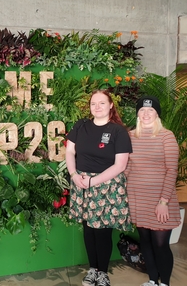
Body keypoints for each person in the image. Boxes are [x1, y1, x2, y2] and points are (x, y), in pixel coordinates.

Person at [65, 89, 133, 286]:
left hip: (106, 185)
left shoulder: (118, 131)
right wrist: (74, 174)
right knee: (88, 229)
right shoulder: (81, 125)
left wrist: (92, 182)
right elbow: (70, 151)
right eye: (94, 103)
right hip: (81, 181)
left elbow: (120, 165)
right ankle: (92, 269)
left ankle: (103, 272)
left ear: (111, 105)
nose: (97, 107)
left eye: (102, 103)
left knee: (102, 231)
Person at [125, 96, 180, 286]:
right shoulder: (131, 136)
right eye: (142, 110)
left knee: (160, 244)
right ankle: (152, 281)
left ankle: (164, 282)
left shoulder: (166, 136)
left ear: (157, 114)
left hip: (160, 201)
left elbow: (172, 169)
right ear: (137, 113)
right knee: (145, 242)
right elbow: (127, 167)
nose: (146, 114)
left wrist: (164, 201)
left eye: (150, 110)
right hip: (137, 198)